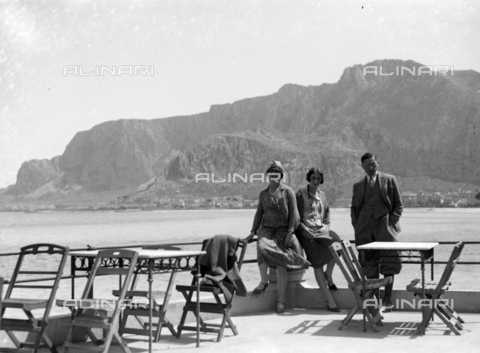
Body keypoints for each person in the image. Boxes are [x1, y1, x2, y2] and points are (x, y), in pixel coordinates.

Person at [245, 160, 310, 314]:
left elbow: (294, 215)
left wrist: (290, 232)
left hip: (283, 231)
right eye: (272, 173)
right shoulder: (263, 194)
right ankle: (263, 281)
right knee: (261, 246)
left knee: (280, 263)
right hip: (267, 230)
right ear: (268, 176)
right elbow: (259, 213)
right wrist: (253, 231)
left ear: (281, 175)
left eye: (277, 173)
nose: (275, 176)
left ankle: (281, 301)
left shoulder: (287, 192)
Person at [350, 152, 403, 310]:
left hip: (385, 227)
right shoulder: (358, 185)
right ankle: (374, 300)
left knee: (389, 261)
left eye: (374, 164)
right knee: (369, 262)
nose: (372, 168)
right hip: (364, 230)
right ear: (362, 167)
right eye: (368, 165)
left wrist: (390, 222)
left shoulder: (389, 180)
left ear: (377, 163)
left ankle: (387, 298)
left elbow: (399, 205)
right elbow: (354, 208)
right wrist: (357, 224)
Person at [295, 167, 341, 312]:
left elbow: (327, 214)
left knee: (337, 244)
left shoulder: (322, 195)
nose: (316, 181)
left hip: (320, 230)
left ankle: (329, 275)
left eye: (318, 178)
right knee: (317, 263)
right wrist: (303, 229)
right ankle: (329, 299)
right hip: (306, 232)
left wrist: (326, 227)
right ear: (309, 178)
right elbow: (295, 217)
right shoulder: (300, 194)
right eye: (313, 178)